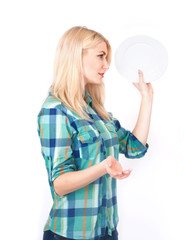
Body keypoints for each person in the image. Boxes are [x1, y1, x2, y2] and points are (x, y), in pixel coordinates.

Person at [37, 26, 153, 240]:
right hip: (71, 235)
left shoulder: (97, 112)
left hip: (106, 232)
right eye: (100, 56)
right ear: (76, 57)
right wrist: (103, 167)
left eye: (106, 57)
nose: (106, 65)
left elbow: (135, 148)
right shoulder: (54, 111)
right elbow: (60, 184)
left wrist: (146, 99)